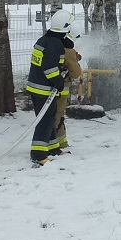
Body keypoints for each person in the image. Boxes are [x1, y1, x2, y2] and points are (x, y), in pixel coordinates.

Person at [26, 9, 73, 165]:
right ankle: (38, 154)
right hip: (43, 88)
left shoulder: (45, 40)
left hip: (37, 86)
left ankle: (52, 148)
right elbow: (49, 68)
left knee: (50, 118)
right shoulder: (54, 44)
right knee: (45, 121)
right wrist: (58, 80)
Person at [54, 34, 84, 153]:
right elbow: (75, 73)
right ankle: (56, 145)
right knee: (58, 116)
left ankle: (62, 143)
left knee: (57, 115)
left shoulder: (53, 44)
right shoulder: (68, 50)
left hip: (48, 88)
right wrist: (75, 61)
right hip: (60, 90)